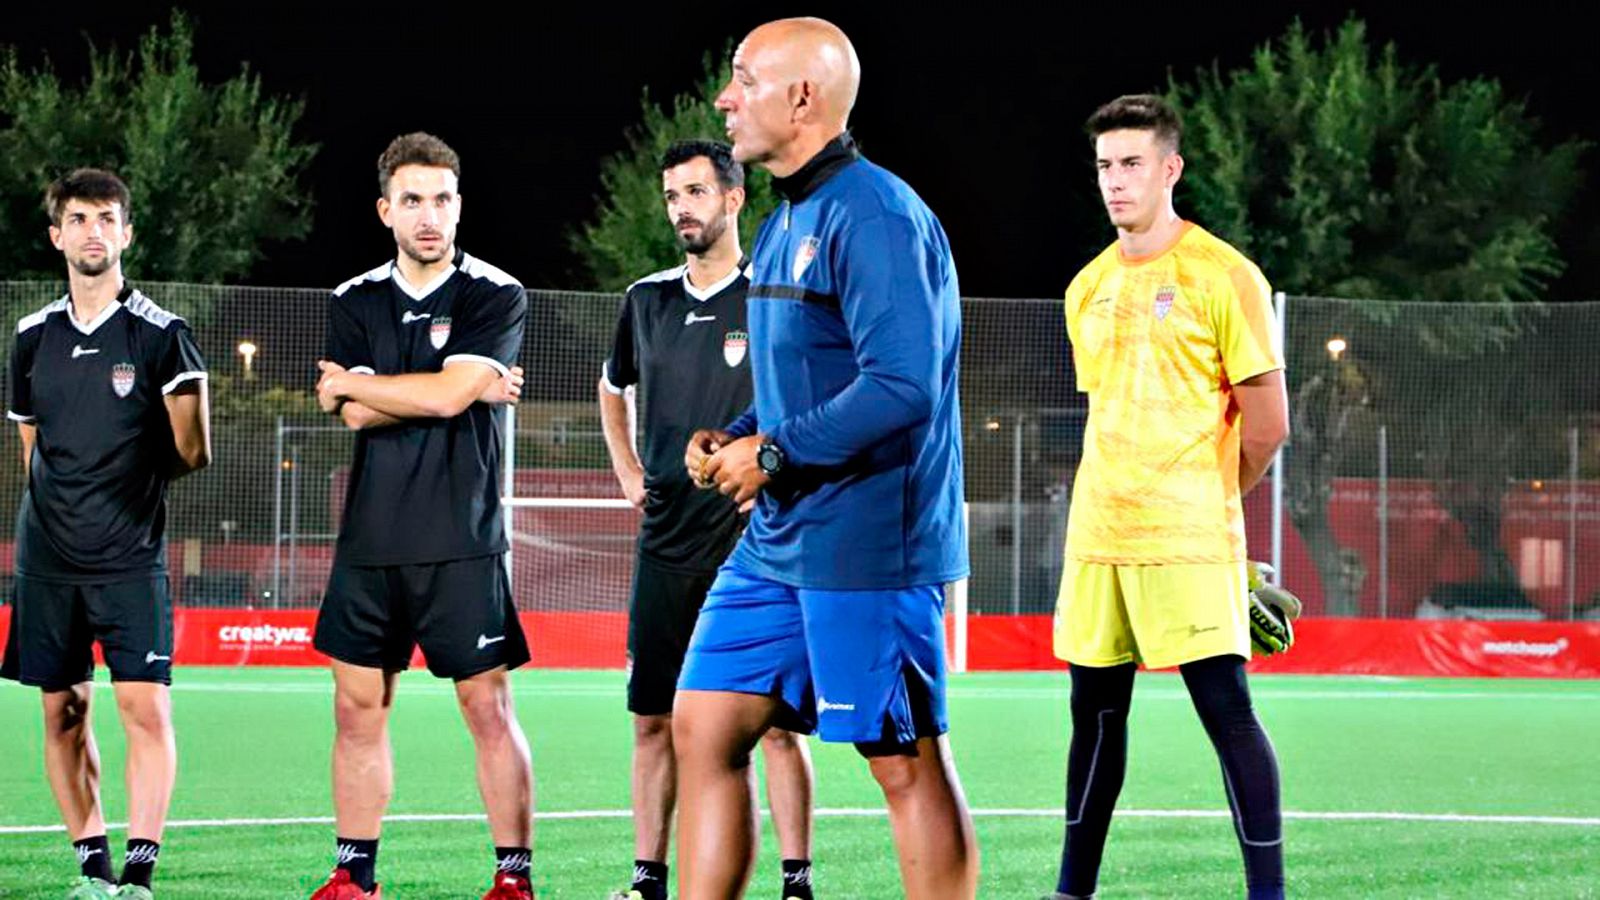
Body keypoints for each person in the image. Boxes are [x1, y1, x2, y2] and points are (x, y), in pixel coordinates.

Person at [678, 18, 978, 900]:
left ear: (802, 96)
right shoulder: (785, 218)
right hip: (779, 540)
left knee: (904, 761)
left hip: (871, 541)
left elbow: (901, 386)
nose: (725, 100)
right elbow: (801, 379)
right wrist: (740, 432)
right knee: (704, 726)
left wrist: (771, 452)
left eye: (744, 80)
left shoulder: (878, 215)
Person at [1045, 94, 1291, 900]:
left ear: (1170, 169)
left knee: (1226, 713)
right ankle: (1070, 891)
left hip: (1187, 539)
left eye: (1133, 165)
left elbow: (1267, 427)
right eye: (1106, 167)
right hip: (1097, 540)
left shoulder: (1226, 275)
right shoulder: (1087, 287)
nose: (1116, 182)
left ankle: (1268, 894)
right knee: (1096, 723)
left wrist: (1214, 512)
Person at [308, 132, 534, 900]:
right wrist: (448, 386)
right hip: (370, 540)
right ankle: (353, 876)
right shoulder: (353, 300)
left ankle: (512, 879)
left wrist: (362, 386)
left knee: (486, 706)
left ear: (459, 205)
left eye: (441, 199)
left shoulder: (495, 293)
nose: (429, 215)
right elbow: (359, 421)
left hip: (462, 537)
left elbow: (430, 398)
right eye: (412, 200)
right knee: (356, 708)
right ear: (385, 210)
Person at [600, 139, 817, 900]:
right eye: (671, 196)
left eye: (696, 192)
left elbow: (803, 397)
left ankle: (796, 882)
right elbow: (610, 387)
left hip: (755, 542)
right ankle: (647, 879)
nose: (681, 208)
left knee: (779, 727)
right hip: (666, 541)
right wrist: (629, 470)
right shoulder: (645, 300)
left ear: (732, 199)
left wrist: (779, 468)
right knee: (652, 721)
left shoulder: (773, 297)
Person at [2, 168, 211, 900]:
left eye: (108, 218)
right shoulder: (30, 338)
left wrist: (120, 484)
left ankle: (141, 870)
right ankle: (90, 864)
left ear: (127, 233)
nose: (94, 231)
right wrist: (63, 500)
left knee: (144, 706)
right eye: (80, 219)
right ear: (57, 235)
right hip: (48, 556)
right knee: (61, 710)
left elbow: (193, 449)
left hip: (128, 553)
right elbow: (32, 446)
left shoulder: (162, 334)